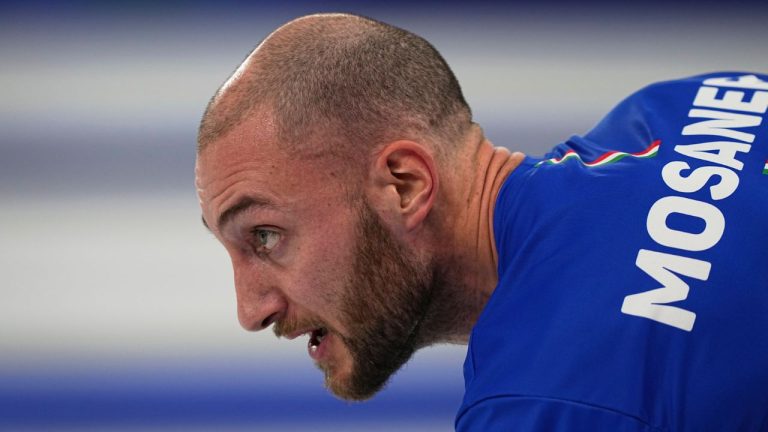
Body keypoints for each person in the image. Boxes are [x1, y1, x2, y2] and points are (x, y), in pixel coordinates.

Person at [194, 13, 768, 431]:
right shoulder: (694, 102)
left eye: (264, 236)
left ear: (404, 185)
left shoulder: (543, 402)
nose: (250, 311)